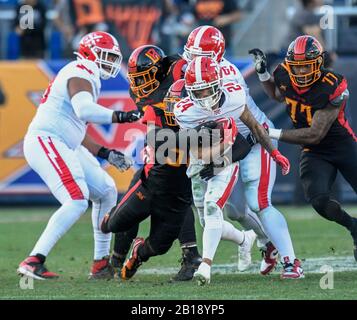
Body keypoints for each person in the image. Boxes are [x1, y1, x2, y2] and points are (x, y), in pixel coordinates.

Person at [17, 31, 140, 280]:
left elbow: (76, 127)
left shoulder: (84, 74)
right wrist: (123, 116)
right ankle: (33, 260)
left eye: (112, 57)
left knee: (106, 189)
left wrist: (104, 152)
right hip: (47, 140)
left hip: (63, 141)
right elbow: (84, 110)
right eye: (105, 55)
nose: (109, 62)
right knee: (76, 200)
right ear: (88, 53)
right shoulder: (80, 69)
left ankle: (100, 264)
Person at [101, 79, 254, 280]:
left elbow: (242, 146)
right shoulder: (158, 112)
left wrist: (219, 162)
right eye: (171, 103)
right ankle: (111, 231)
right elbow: (158, 140)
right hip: (150, 186)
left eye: (178, 103)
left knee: (158, 247)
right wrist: (195, 135)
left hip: (177, 198)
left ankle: (138, 254)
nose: (174, 110)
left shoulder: (206, 118)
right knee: (113, 225)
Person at [183, 26, 301, 276]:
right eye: (191, 53)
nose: (191, 59)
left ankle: (291, 262)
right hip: (226, 143)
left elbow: (250, 123)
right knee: (236, 210)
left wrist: (273, 151)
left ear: (214, 55)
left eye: (198, 54)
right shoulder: (197, 72)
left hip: (252, 139)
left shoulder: (226, 76)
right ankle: (268, 243)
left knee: (259, 202)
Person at [249, 35, 357, 261]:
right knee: (319, 200)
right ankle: (354, 227)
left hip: (340, 144)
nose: (301, 73)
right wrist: (263, 74)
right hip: (314, 152)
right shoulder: (283, 73)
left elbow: (315, 134)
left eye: (307, 66)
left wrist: (273, 133)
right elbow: (277, 95)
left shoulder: (333, 85)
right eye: (297, 67)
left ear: (318, 63)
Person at [110, 45, 202, 281]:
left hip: (193, 141)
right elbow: (156, 130)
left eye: (144, 77)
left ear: (160, 70)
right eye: (136, 79)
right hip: (162, 146)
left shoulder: (180, 70)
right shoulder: (140, 92)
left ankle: (191, 256)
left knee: (180, 198)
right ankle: (116, 260)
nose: (140, 84)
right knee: (133, 201)